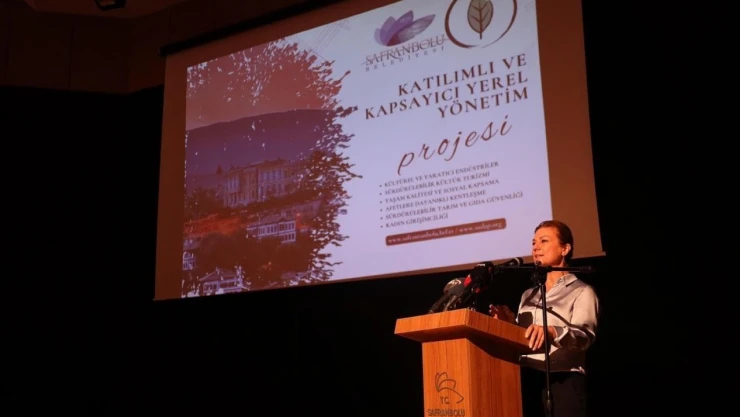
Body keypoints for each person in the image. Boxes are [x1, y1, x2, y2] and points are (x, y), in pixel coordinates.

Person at [489, 220, 599, 417]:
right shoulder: (528, 295)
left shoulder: (582, 291)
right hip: (526, 380)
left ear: (565, 249)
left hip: (562, 382)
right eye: (533, 242)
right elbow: (526, 339)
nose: (535, 247)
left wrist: (552, 332)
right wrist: (509, 325)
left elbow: (584, 337)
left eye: (544, 241)